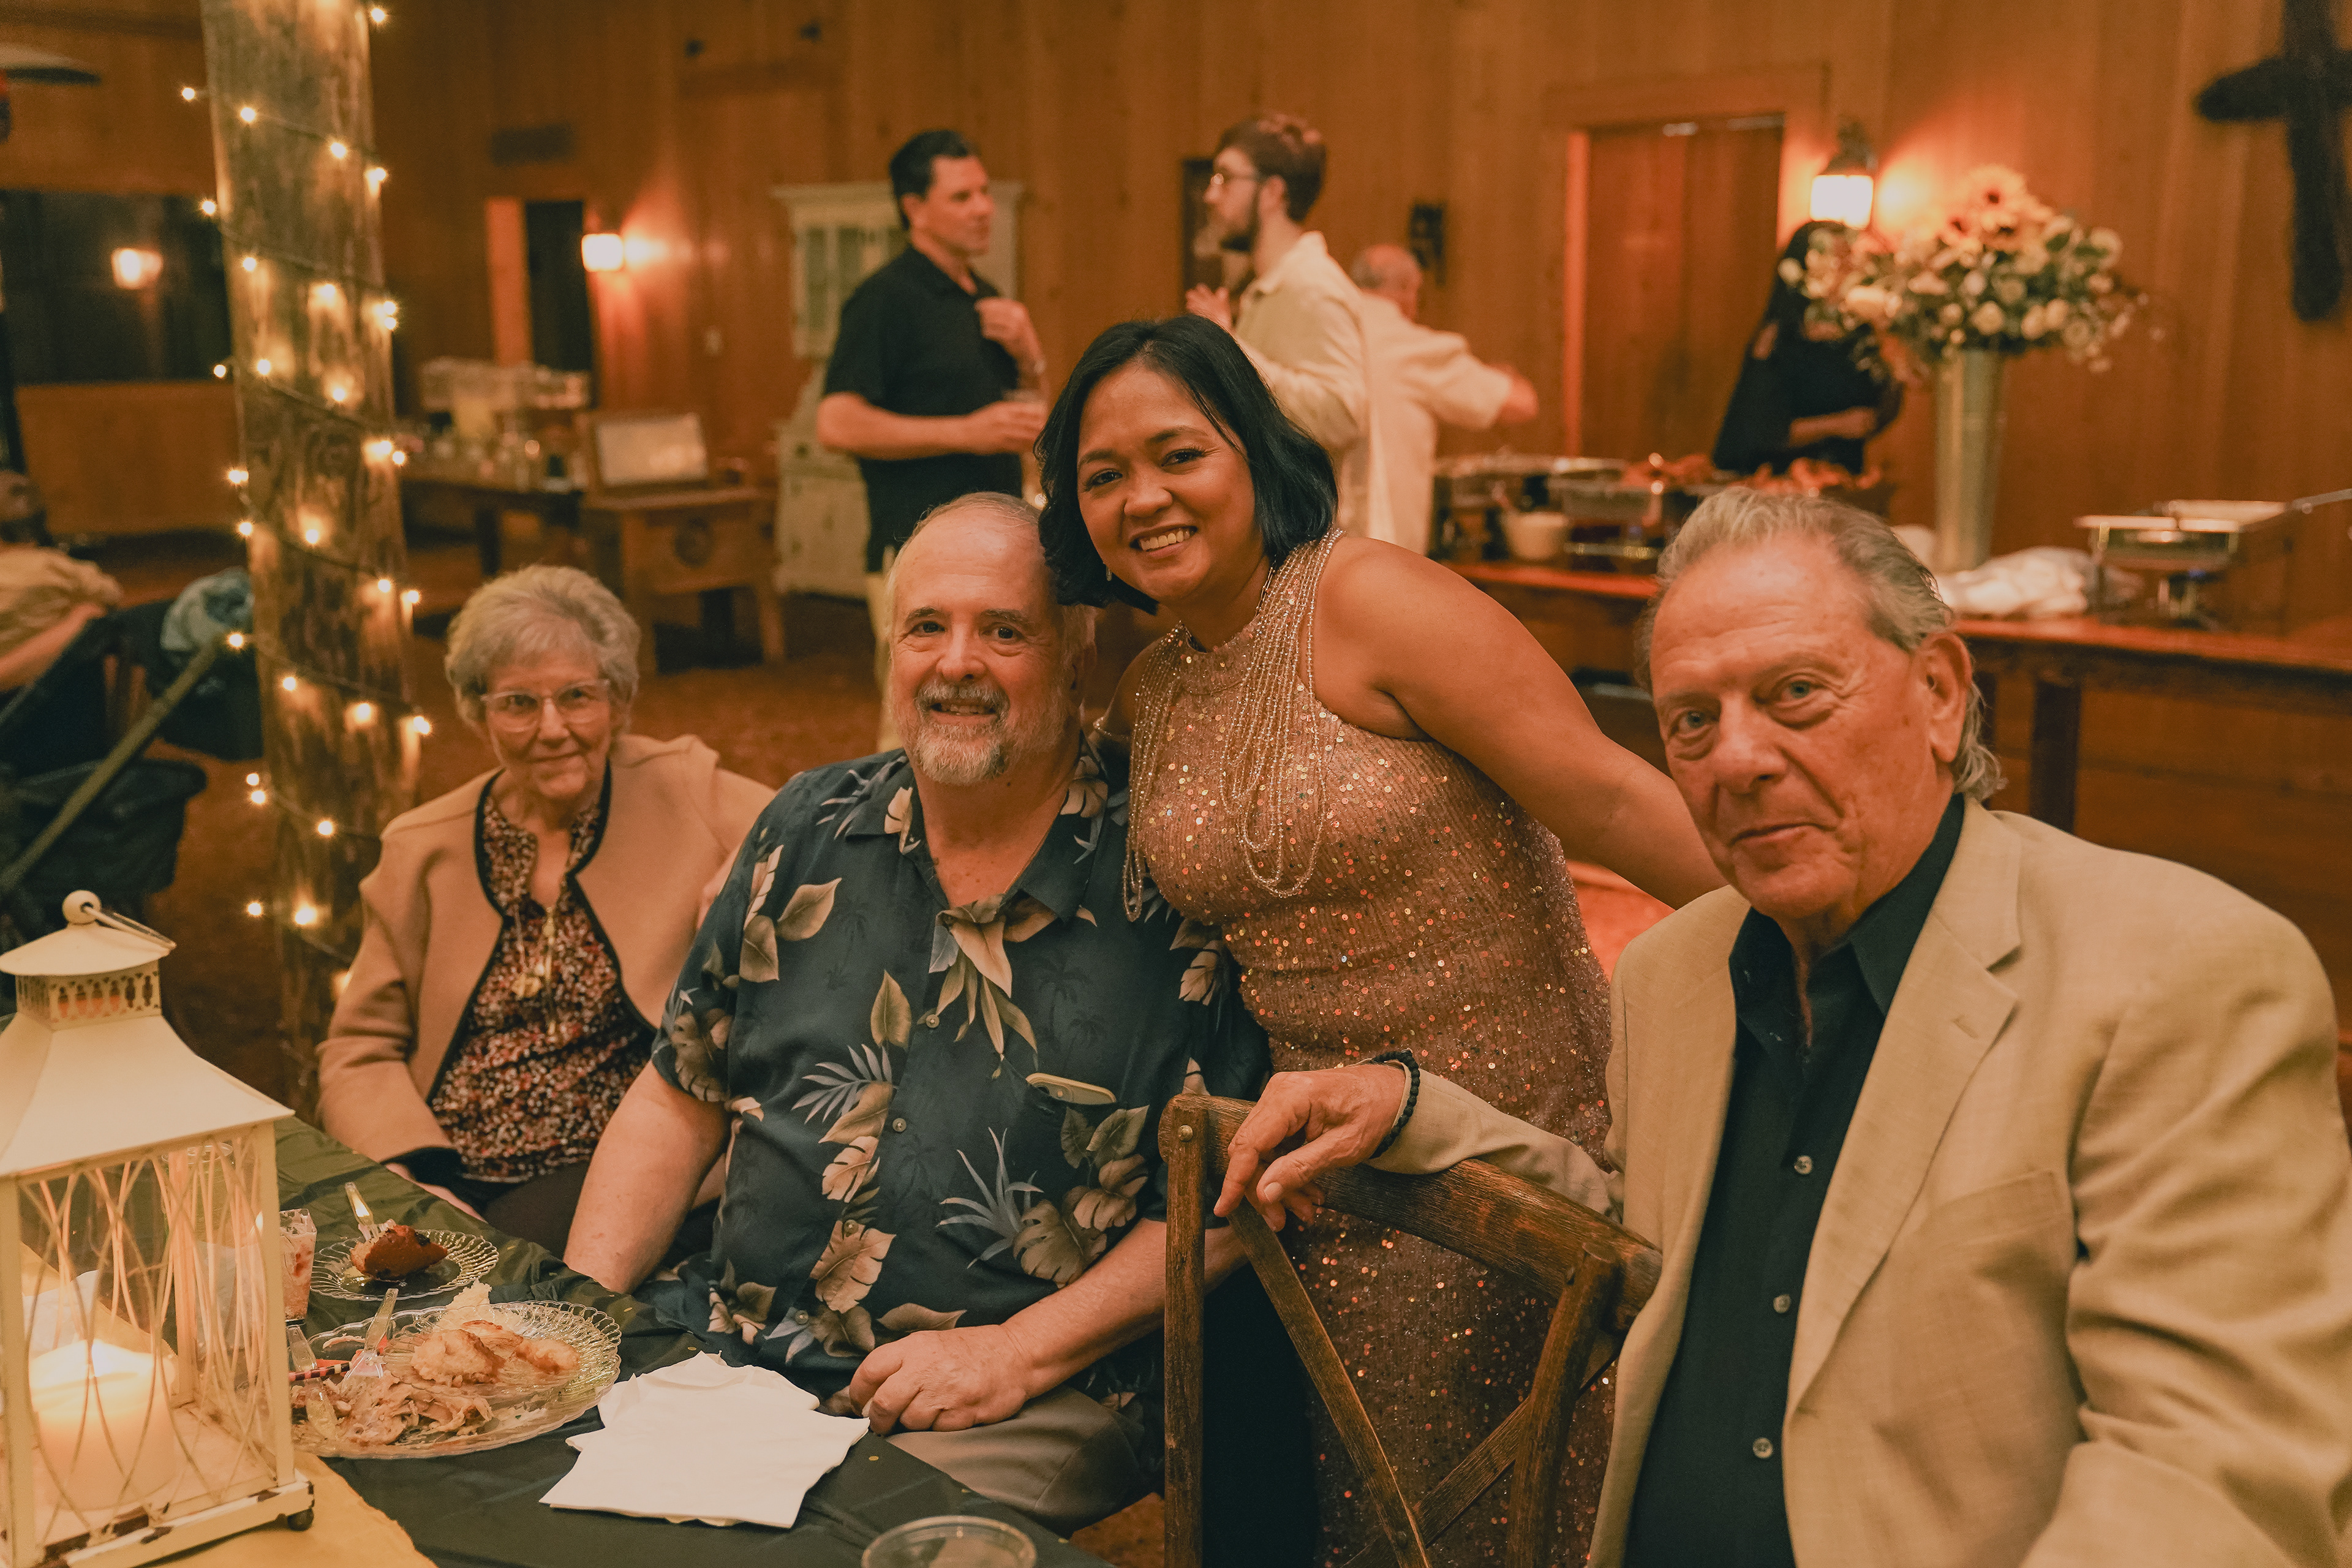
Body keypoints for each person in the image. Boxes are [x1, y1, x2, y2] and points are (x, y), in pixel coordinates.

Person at [1216, 491, 2352, 1568]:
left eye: (1796, 694)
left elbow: (2212, 1482)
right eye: (1692, 722)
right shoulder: (1676, 972)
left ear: (1940, 694)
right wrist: (1411, 1108)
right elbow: (1663, 1244)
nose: (1738, 760)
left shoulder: (2174, 974)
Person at [1035, 314, 1722, 1564]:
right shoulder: (1155, 689)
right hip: (1325, 1174)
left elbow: (1611, 802)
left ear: (1253, 452)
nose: (1144, 499)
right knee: (1378, 1506)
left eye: (1179, 454)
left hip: (1518, 1124)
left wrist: (1830, 940)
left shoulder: (1372, 600)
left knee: (1526, 1500)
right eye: (1102, 475)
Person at [565, 496, 1281, 1540]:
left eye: (1005, 631)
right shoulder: (806, 825)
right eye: (926, 627)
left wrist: (1015, 1354)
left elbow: (1227, 1207)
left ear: (1077, 655)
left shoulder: (1175, 870)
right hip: (733, 1342)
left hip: (1019, 1390)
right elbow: (679, 1096)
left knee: (838, 1555)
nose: (957, 664)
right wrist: (580, 1315)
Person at [317, 565, 771, 1254]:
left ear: (618, 699)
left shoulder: (686, 793)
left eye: (577, 697)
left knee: (481, 1281)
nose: (552, 729)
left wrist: (749, 870)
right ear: (479, 712)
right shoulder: (423, 848)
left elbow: (822, 824)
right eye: (519, 703)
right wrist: (400, 1175)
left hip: (619, 1161)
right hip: (444, 1167)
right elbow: (360, 1047)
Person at [817, 128, 1049, 750]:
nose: (983, 208)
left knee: (994, 713)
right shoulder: (884, 299)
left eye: (984, 193)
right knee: (917, 721)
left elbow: (1030, 414)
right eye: (962, 197)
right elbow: (835, 422)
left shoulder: (987, 299)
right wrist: (965, 433)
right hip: (915, 548)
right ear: (915, 209)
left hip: (996, 547)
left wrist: (1031, 356)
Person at [1184, 112, 1393, 543]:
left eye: (1226, 178)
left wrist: (1230, 349)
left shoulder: (1311, 284)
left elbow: (1342, 414)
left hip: (1322, 555)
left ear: (1273, 192)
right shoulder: (1271, 287)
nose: (1210, 194)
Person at [1349, 243, 1540, 555]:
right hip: (1384, 545)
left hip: (1311, 545)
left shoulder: (1327, 334)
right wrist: (1505, 374)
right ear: (1407, 289)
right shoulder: (1409, 347)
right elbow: (1520, 403)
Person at [1711, 222, 1904, 476]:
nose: (1848, 269)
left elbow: (1875, 410)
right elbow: (1760, 430)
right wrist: (1836, 425)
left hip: (1840, 477)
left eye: (1850, 259)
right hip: (1776, 479)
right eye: (1838, 261)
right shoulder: (1776, 338)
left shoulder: (1861, 333)